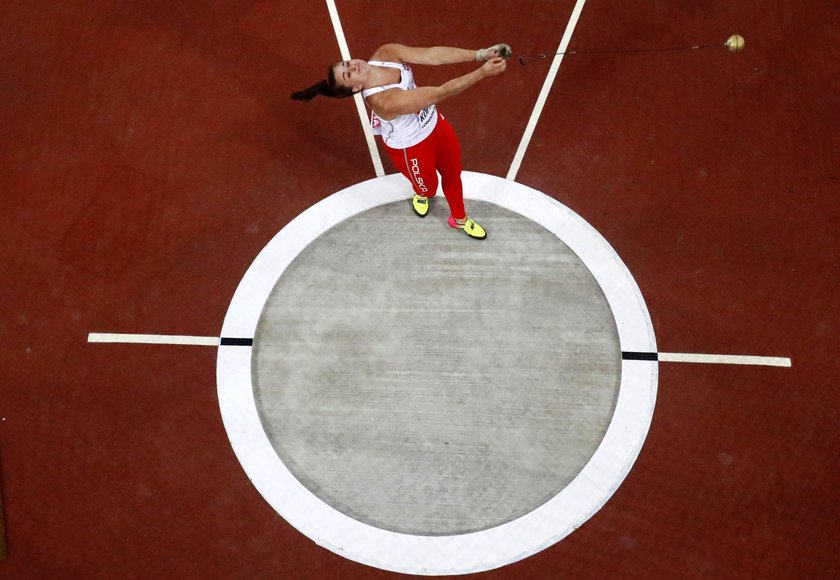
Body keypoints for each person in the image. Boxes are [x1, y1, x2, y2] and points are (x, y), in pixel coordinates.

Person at [291, 43, 512, 240]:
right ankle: (420, 191)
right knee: (429, 188)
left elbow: (433, 55)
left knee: (453, 173)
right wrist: (482, 73)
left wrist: (481, 54)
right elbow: (440, 93)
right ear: (356, 88)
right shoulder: (383, 101)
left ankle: (459, 219)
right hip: (411, 145)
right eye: (348, 74)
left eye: (347, 64)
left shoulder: (385, 52)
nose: (353, 67)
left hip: (434, 124)